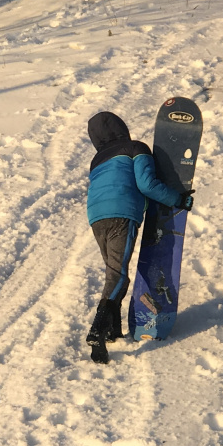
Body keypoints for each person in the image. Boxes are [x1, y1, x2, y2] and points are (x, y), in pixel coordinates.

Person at [85, 111, 191, 363]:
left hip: (96, 216)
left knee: (114, 272)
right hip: (122, 213)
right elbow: (147, 185)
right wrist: (178, 199)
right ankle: (97, 329)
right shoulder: (136, 147)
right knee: (118, 275)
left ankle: (112, 329)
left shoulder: (97, 159)